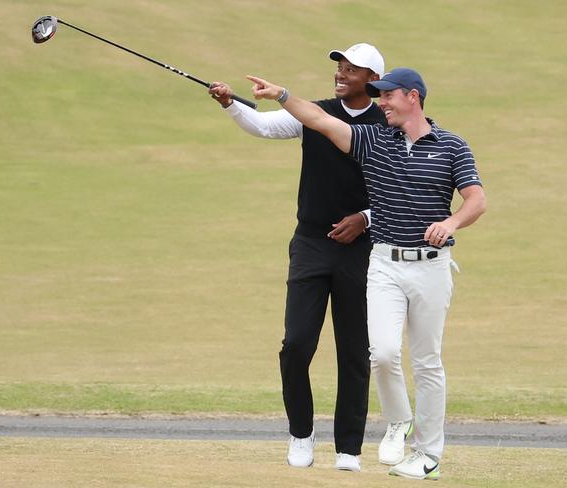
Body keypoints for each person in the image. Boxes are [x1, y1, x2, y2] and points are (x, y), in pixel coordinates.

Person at [246, 67, 487, 480]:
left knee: (428, 363)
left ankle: (427, 454)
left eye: (388, 96)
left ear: (413, 97)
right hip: (384, 265)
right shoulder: (374, 141)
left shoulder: (452, 146)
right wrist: (283, 95)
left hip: (431, 269)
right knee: (384, 353)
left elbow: (476, 200)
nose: (381, 104)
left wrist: (450, 224)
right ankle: (398, 421)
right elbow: (320, 120)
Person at [208, 44, 387, 472]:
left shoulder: (388, 124)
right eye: (339, 68)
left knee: (355, 351)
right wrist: (232, 104)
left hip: (361, 251)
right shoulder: (315, 112)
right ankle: (301, 434)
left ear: (373, 81)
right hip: (310, 243)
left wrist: (364, 218)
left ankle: (348, 448)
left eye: (351, 70)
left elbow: (402, 191)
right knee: (297, 344)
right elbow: (266, 126)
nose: (340, 75)